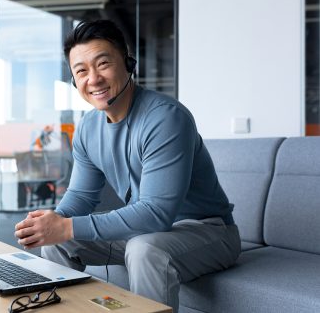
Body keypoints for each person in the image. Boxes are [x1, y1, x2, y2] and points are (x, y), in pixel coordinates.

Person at [14, 19, 241, 312]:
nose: (93, 79)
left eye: (103, 64)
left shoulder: (166, 118)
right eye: (81, 71)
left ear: (128, 63)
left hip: (209, 232)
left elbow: (156, 213)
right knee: (57, 242)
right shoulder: (87, 128)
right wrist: (50, 222)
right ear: (74, 81)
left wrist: (67, 226)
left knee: (145, 249)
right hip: (144, 233)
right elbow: (82, 197)